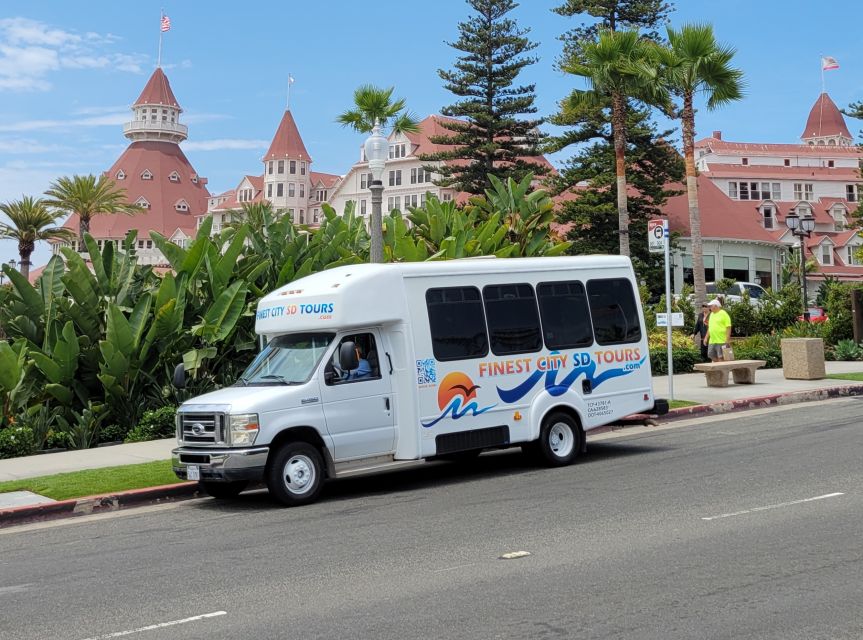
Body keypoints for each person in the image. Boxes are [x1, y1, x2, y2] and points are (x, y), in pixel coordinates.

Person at [704, 298, 732, 363]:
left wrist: (727, 339)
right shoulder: (711, 315)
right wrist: (706, 337)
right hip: (712, 340)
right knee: (710, 355)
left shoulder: (723, 314)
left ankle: (721, 370)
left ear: (716, 306)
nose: (710, 307)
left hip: (721, 340)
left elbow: (728, 327)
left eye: (711, 306)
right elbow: (710, 327)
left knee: (720, 356)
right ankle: (720, 366)